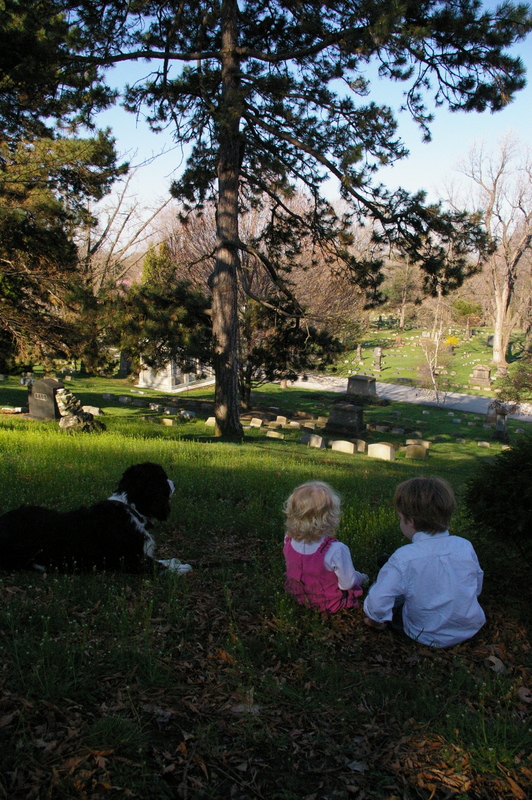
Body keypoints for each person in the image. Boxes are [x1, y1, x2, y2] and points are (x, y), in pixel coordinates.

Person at [364, 476, 486, 647]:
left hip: (425, 633)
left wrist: (376, 620)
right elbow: (476, 583)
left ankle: (388, 571)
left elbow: (378, 602)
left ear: (411, 522)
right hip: (468, 627)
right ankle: (389, 568)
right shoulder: (464, 546)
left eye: (400, 518)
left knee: (382, 587)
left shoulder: (404, 557)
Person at [283, 481, 368, 613]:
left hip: (297, 596)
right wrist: (359, 577)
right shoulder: (335, 549)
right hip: (328, 603)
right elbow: (347, 584)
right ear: (331, 517)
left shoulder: (289, 539)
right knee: (359, 578)